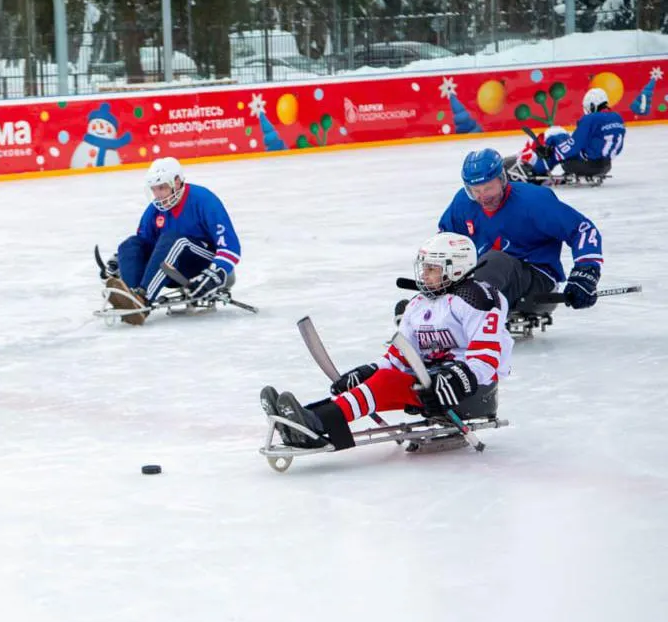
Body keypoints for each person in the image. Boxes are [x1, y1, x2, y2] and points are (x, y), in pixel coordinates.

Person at [264, 232, 513, 450]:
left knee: (386, 382)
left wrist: (455, 379)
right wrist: (367, 372)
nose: (424, 275)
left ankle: (315, 423)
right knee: (380, 379)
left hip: (470, 391)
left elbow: (486, 359)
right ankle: (305, 419)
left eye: (432, 269)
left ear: (455, 268)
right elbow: (398, 358)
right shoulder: (418, 305)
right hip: (430, 383)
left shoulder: (478, 298)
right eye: (424, 267)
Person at [437, 148, 603, 313]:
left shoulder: (534, 201)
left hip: (537, 282)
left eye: (488, 188)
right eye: (476, 191)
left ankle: (466, 312)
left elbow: (582, 230)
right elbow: (444, 242)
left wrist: (586, 272)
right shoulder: (463, 203)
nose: (483, 197)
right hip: (485, 280)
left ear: (502, 179)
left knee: (494, 260)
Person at [101, 157, 242, 325]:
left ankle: (143, 299)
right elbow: (143, 245)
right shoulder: (154, 209)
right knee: (130, 244)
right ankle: (130, 297)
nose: (158, 195)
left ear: (177, 181)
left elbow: (230, 246)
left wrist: (215, 274)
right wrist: (122, 260)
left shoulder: (204, 200)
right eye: (154, 189)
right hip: (171, 269)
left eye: (162, 188)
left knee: (173, 240)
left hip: (203, 265)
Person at [509, 87, 626, 181]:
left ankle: (535, 171)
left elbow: (574, 145)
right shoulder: (618, 118)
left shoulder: (591, 119)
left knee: (556, 135)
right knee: (564, 142)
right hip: (605, 166)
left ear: (592, 105)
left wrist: (551, 152)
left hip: (585, 165)